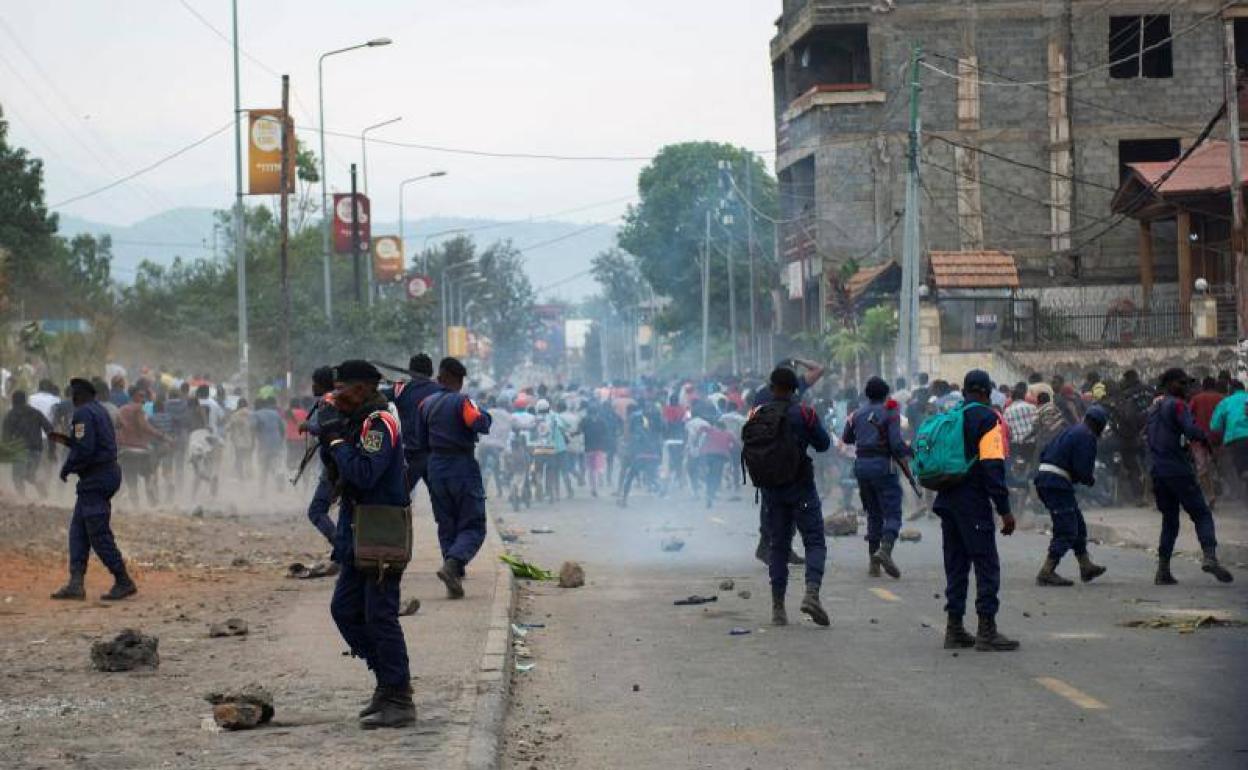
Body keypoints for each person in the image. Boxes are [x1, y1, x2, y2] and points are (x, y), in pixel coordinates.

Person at [319, 360, 415, 729]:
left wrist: (339, 440)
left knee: (380, 616)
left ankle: (399, 696)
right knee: (345, 610)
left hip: (380, 531)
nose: (334, 397)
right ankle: (386, 680)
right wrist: (332, 435)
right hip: (356, 530)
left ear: (359, 389)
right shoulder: (358, 420)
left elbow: (363, 473)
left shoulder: (379, 424)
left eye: (340, 390)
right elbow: (339, 473)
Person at [934, 370, 1019, 652]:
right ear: (984, 392)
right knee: (985, 564)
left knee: (956, 565)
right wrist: (1005, 510)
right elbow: (992, 467)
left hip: (947, 500)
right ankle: (986, 630)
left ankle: (954, 627)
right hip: (973, 504)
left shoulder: (952, 415)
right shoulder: (987, 419)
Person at [747, 366, 832, 627]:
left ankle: (778, 608)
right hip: (801, 487)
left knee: (779, 547)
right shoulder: (804, 413)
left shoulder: (758, 413)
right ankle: (811, 593)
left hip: (772, 492)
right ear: (796, 388)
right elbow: (823, 444)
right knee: (814, 541)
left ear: (772, 388)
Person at [1146, 368, 1233, 585]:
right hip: (1177, 469)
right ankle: (1210, 557)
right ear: (1169, 384)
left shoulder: (1154, 408)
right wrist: (1208, 438)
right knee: (1202, 513)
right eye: (1182, 383)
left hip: (1157, 471)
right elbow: (1191, 430)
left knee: (1170, 520)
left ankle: (1163, 570)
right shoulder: (1176, 405)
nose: (1186, 388)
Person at [51, 379, 134, 601]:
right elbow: (91, 445)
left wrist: (67, 467)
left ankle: (123, 580)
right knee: (78, 530)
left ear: (77, 396)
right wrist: (70, 443)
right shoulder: (100, 411)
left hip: (96, 478)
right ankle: (75, 583)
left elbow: (85, 450)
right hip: (105, 473)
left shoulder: (82, 414)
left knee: (97, 533)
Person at [416, 357, 492, 599]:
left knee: (446, 523)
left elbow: (419, 439)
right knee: (473, 524)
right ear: (456, 379)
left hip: (435, 467)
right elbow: (479, 423)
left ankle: (453, 577)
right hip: (461, 466)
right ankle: (453, 565)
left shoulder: (425, 404)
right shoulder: (462, 401)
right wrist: (483, 413)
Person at [841, 376, 911, 579]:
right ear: (886, 394)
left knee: (873, 513)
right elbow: (896, 443)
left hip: (862, 466)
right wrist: (908, 452)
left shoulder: (857, 414)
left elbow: (847, 438)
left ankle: (874, 564)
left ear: (867, 394)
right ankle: (885, 550)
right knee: (893, 512)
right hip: (883, 466)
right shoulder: (891, 411)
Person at [1033, 406, 1110, 586]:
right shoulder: (1087, 436)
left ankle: (1086, 566)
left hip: (1047, 479)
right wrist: (1090, 481)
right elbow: (1083, 470)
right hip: (1056, 484)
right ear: (1099, 426)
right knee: (1067, 529)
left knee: (1078, 524)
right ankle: (1046, 571)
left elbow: (1044, 452)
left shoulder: (1071, 430)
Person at [383, 353, 442, 493]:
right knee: (442, 500)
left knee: (398, 496)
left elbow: (376, 397)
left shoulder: (401, 390)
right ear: (431, 371)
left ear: (410, 371)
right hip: (435, 454)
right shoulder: (440, 390)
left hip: (411, 454)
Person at [116, 386, 166, 506]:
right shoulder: (138, 408)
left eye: (144, 396)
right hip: (141, 449)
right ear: (133, 396)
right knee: (148, 473)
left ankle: (136, 507)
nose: (143, 399)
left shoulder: (121, 410)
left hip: (125, 449)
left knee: (131, 482)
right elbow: (144, 426)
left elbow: (117, 427)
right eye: (140, 396)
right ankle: (150, 495)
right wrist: (162, 436)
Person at [1109, 370, 1152, 506]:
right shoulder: (1150, 390)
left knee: (1132, 467)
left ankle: (1139, 496)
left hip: (1132, 435)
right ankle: (1152, 495)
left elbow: (1128, 416)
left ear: (1128, 379)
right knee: (1149, 464)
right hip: (1151, 432)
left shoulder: (1126, 395)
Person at [3, 390, 52, 497]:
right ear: (25, 400)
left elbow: (5, 436)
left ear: (13, 401)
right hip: (37, 450)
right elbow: (49, 429)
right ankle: (39, 486)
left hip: (20, 450)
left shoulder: (11, 415)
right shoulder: (36, 412)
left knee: (17, 477)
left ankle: (22, 498)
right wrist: (52, 449)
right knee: (29, 474)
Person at [1188, 376, 1225, 507]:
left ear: (1203, 386)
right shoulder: (1222, 398)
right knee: (1219, 463)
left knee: (1202, 467)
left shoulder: (1196, 399)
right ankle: (1222, 487)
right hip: (1218, 437)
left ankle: (1210, 495)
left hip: (1199, 438)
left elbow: (1188, 416)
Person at [1210, 380, 1248, 499]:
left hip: (1236, 439)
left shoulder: (1225, 402)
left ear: (1230, 390)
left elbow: (1214, 426)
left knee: (1240, 469)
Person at [698, 418, 737, 508]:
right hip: (721, 456)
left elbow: (701, 429)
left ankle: (709, 492)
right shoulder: (728, 434)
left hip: (708, 454)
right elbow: (735, 444)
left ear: (717, 426)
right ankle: (712, 493)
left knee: (710, 474)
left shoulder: (711, 431)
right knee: (716, 475)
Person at [225, 397, 255, 480]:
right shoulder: (252, 414)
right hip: (249, 440)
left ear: (238, 405)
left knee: (239, 458)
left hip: (238, 441)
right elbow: (255, 427)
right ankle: (249, 475)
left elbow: (228, 427)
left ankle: (241, 476)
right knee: (248, 458)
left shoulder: (235, 415)